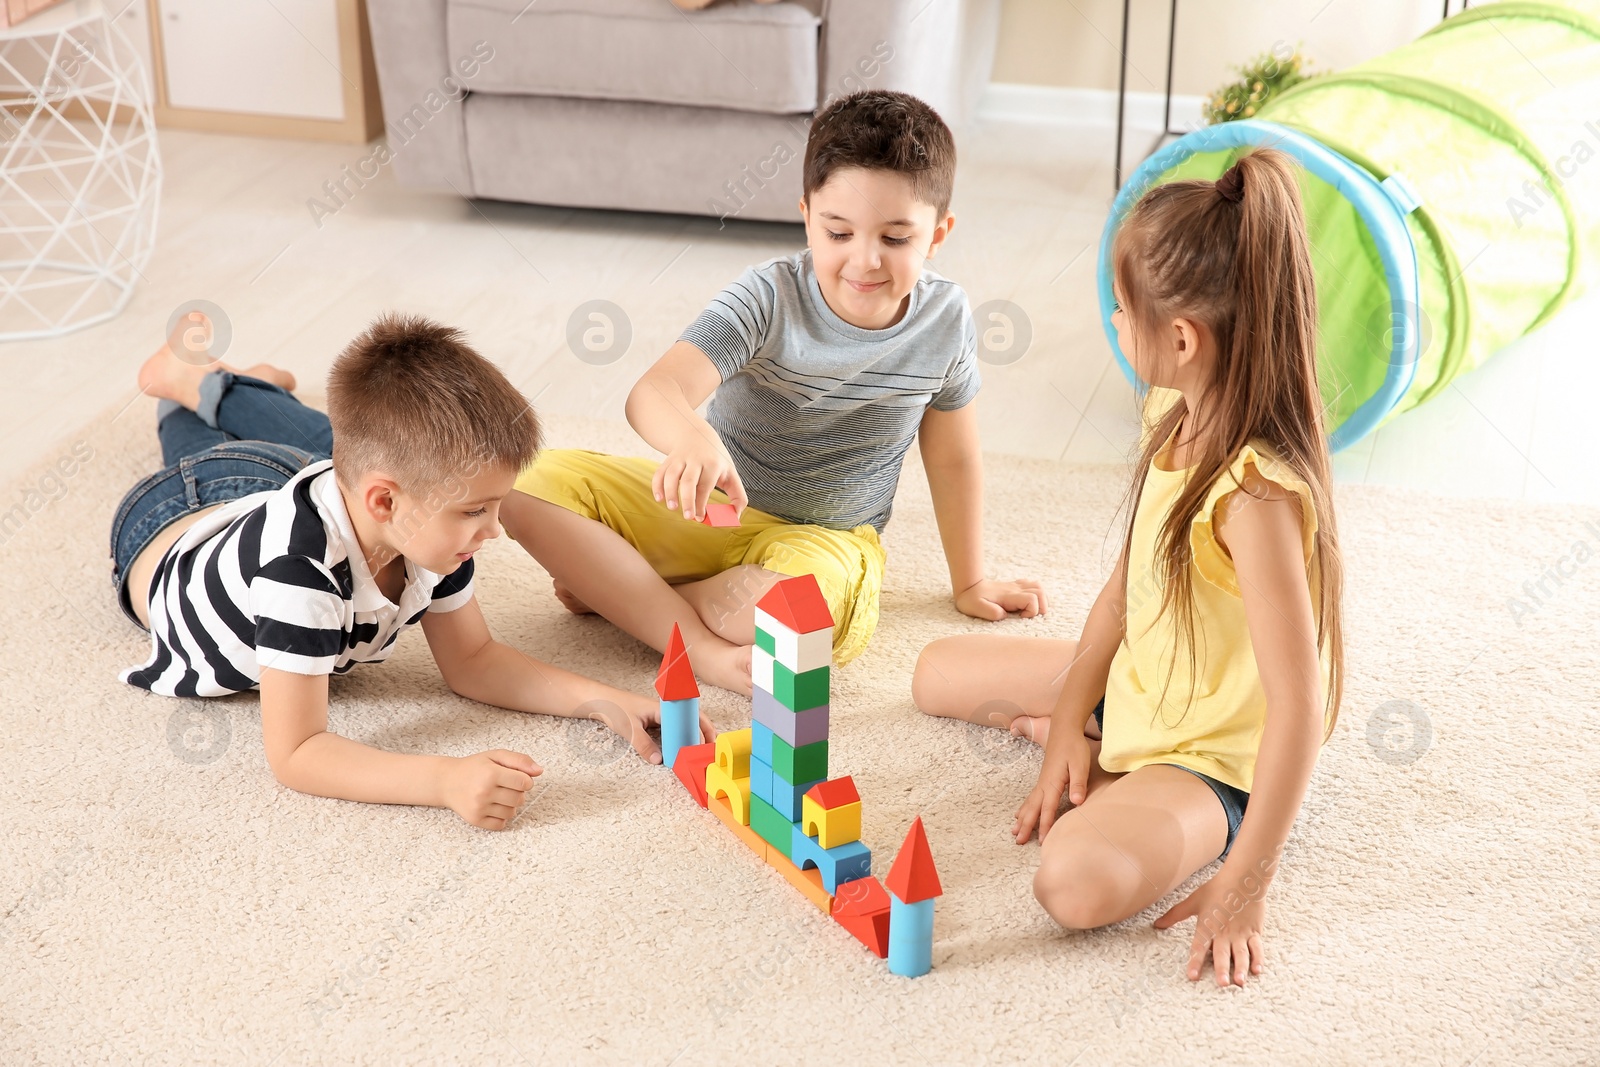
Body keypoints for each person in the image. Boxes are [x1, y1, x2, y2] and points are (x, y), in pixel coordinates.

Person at [911, 149, 1345, 986]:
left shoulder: (1256, 498)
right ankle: (1108, 750)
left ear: (1181, 338)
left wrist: (1249, 880)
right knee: (934, 673)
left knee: (1071, 882)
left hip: (1213, 760)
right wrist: (1069, 718)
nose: (1111, 321)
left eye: (1119, 310)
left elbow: (1300, 704)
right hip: (1146, 683)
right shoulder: (1172, 404)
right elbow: (1128, 580)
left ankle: (1149, 790)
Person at [502, 90, 1044, 695]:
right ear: (808, 215)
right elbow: (654, 391)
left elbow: (953, 455)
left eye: (895, 239)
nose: (864, 261)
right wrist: (693, 437)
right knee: (520, 484)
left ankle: (628, 592)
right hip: (711, 513)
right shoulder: (766, 295)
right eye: (838, 232)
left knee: (794, 623)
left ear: (937, 234)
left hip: (826, 539)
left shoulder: (946, 318)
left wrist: (969, 582)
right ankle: (688, 633)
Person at [113, 312, 710, 829]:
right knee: (198, 453)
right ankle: (184, 388)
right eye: (475, 510)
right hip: (176, 512)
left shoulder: (426, 537)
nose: (495, 530)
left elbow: (474, 662)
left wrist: (606, 700)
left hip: (288, 479)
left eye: (496, 505)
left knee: (336, 447)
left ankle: (241, 391)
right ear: (385, 504)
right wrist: (443, 782)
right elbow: (296, 751)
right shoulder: (298, 573)